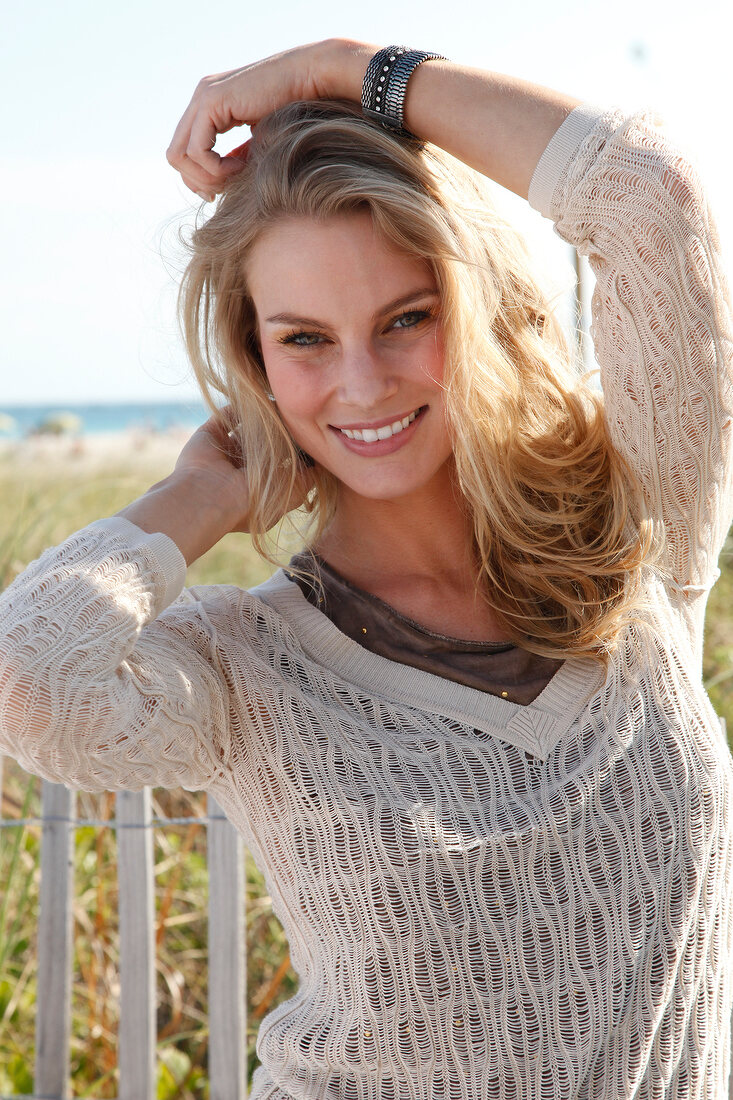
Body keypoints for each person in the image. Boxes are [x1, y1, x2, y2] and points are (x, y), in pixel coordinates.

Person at [1, 37, 732, 1099]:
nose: (360, 383)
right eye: (302, 339)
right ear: (253, 361)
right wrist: (202, 495)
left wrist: (342, 71)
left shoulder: (633, 532)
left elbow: (649, 200)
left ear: (470, 307)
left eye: (406, 317)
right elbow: (30, 683)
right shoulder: (246, 664)